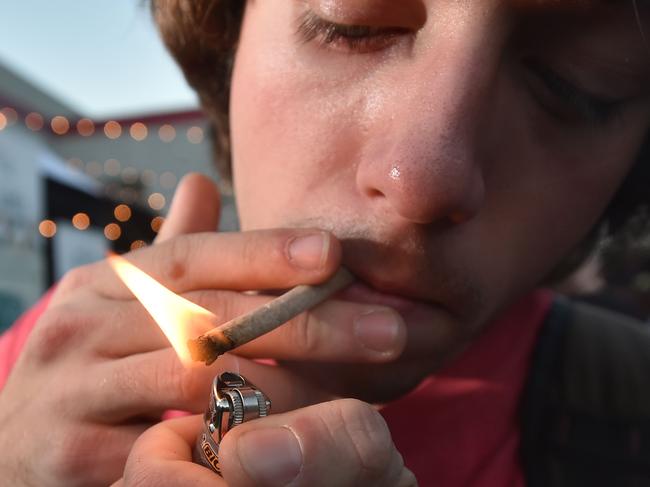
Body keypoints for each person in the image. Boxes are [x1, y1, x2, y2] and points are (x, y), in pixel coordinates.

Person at [1, 0, 649, 485]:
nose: (420, 181)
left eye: (576, 86)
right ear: (227, 38)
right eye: (352, 22)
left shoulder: (626, 417)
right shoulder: (33, 374)